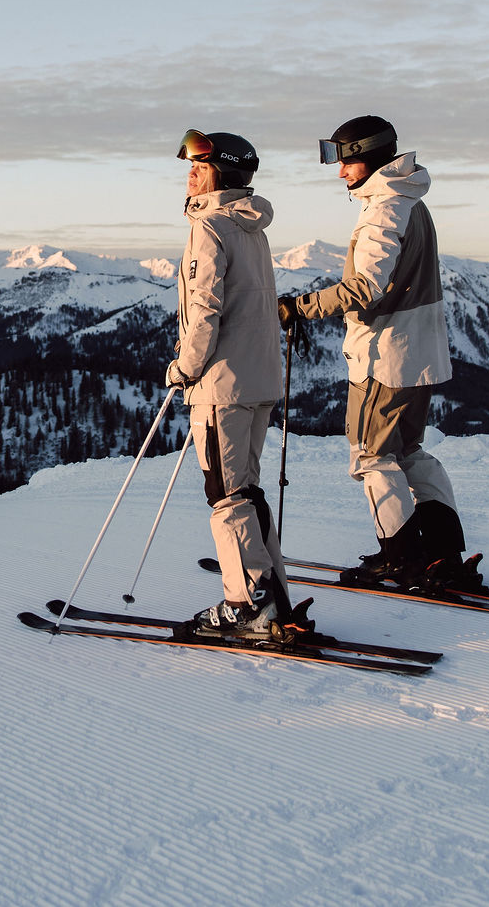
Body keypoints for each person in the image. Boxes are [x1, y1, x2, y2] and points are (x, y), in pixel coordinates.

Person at [277, 116, 480, 590]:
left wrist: (300, 308)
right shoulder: (408, 200)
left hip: (385, 353)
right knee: (408, 451)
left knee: (371, 457)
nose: (340, 171)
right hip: (418, 351)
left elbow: (365, 287)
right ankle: (441, 553)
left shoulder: (385, 208)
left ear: (368, 155)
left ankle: (400, 557)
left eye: (344, 159)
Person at [167, 129, 297, 639]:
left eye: (200, 162)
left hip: (223, 384)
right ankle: (273, 598)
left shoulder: (210, 227)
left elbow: (204, 312)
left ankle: (247, 607)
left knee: (225, 496)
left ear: (222, 170)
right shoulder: (251, 227)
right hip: (259, 378)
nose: (190, 170)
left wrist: (185, 367)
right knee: (246, 491)